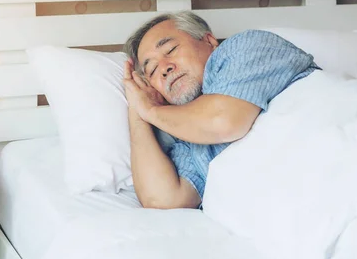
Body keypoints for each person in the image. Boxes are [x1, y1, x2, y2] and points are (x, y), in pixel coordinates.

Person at [122, 11, 320, 209]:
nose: (164, 68)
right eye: (153, 70)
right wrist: (137, 112)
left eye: (171, 49)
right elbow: (163, 199)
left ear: (209, 41)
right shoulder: (185, 134)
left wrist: (150, 110)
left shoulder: (245, 47)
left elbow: (223, 121)